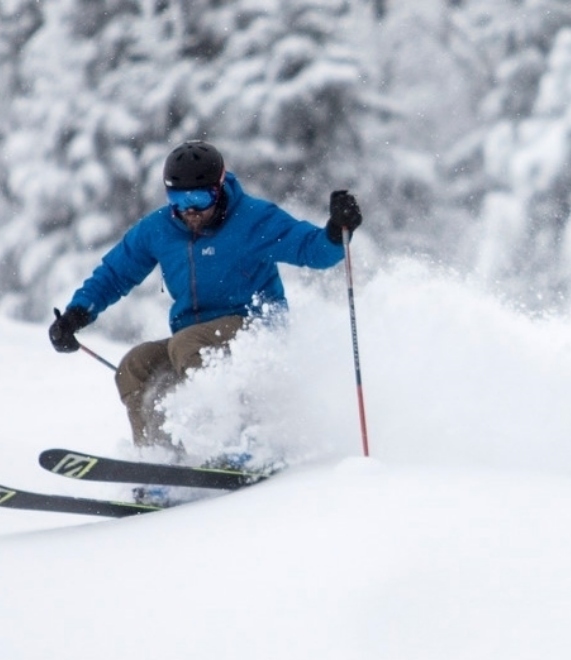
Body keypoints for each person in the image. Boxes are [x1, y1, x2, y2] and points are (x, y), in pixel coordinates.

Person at [48, 139, 363, 454]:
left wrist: (336, 231)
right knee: (135, 365)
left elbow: (312, 250)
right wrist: (77, 314)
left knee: (186, 343)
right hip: (193, 343)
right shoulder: (159, 229)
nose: (190, 210)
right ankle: (160, 463)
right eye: (178, 198)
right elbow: (115, 273)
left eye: (199, 198)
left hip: (255, 332)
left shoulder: (254, 220)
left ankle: (236, 438)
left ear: (219, 187)